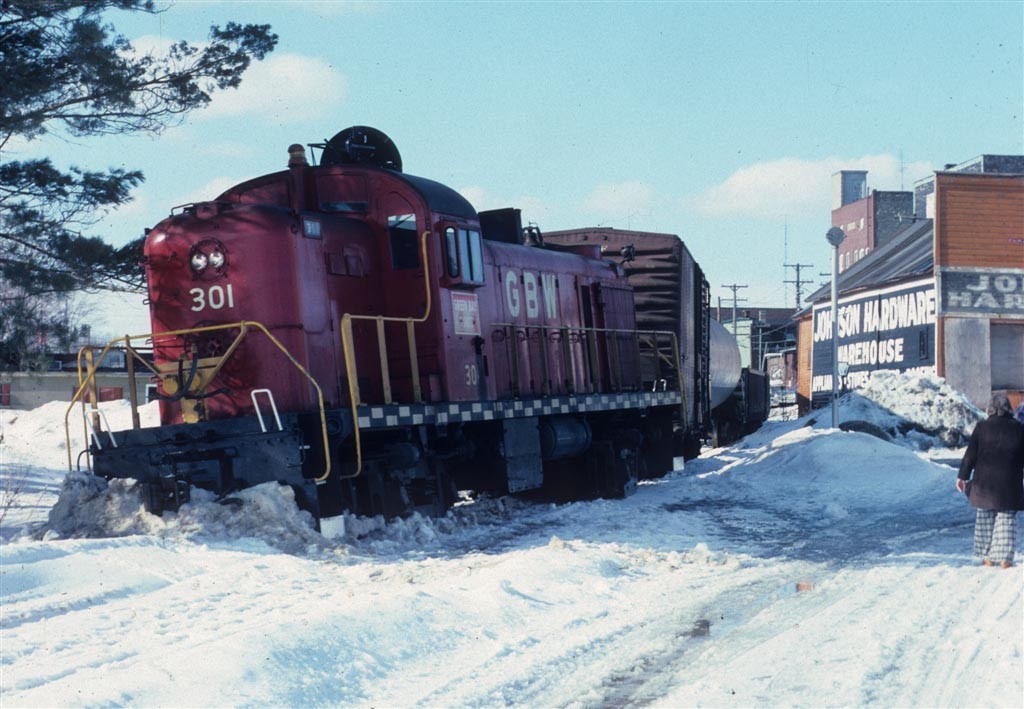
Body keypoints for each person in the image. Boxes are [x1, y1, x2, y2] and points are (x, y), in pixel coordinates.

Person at [957, 393, 1024, 568]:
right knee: (1006, 520)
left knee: (985, 518)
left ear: (991, 408)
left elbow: (970, 455)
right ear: (1009, 408)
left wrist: (962, 476)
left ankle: (987, 557)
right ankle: (1004, 559)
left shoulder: (982, 427)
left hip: (984, 484)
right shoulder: (1019, 428)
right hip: (1010, 484)